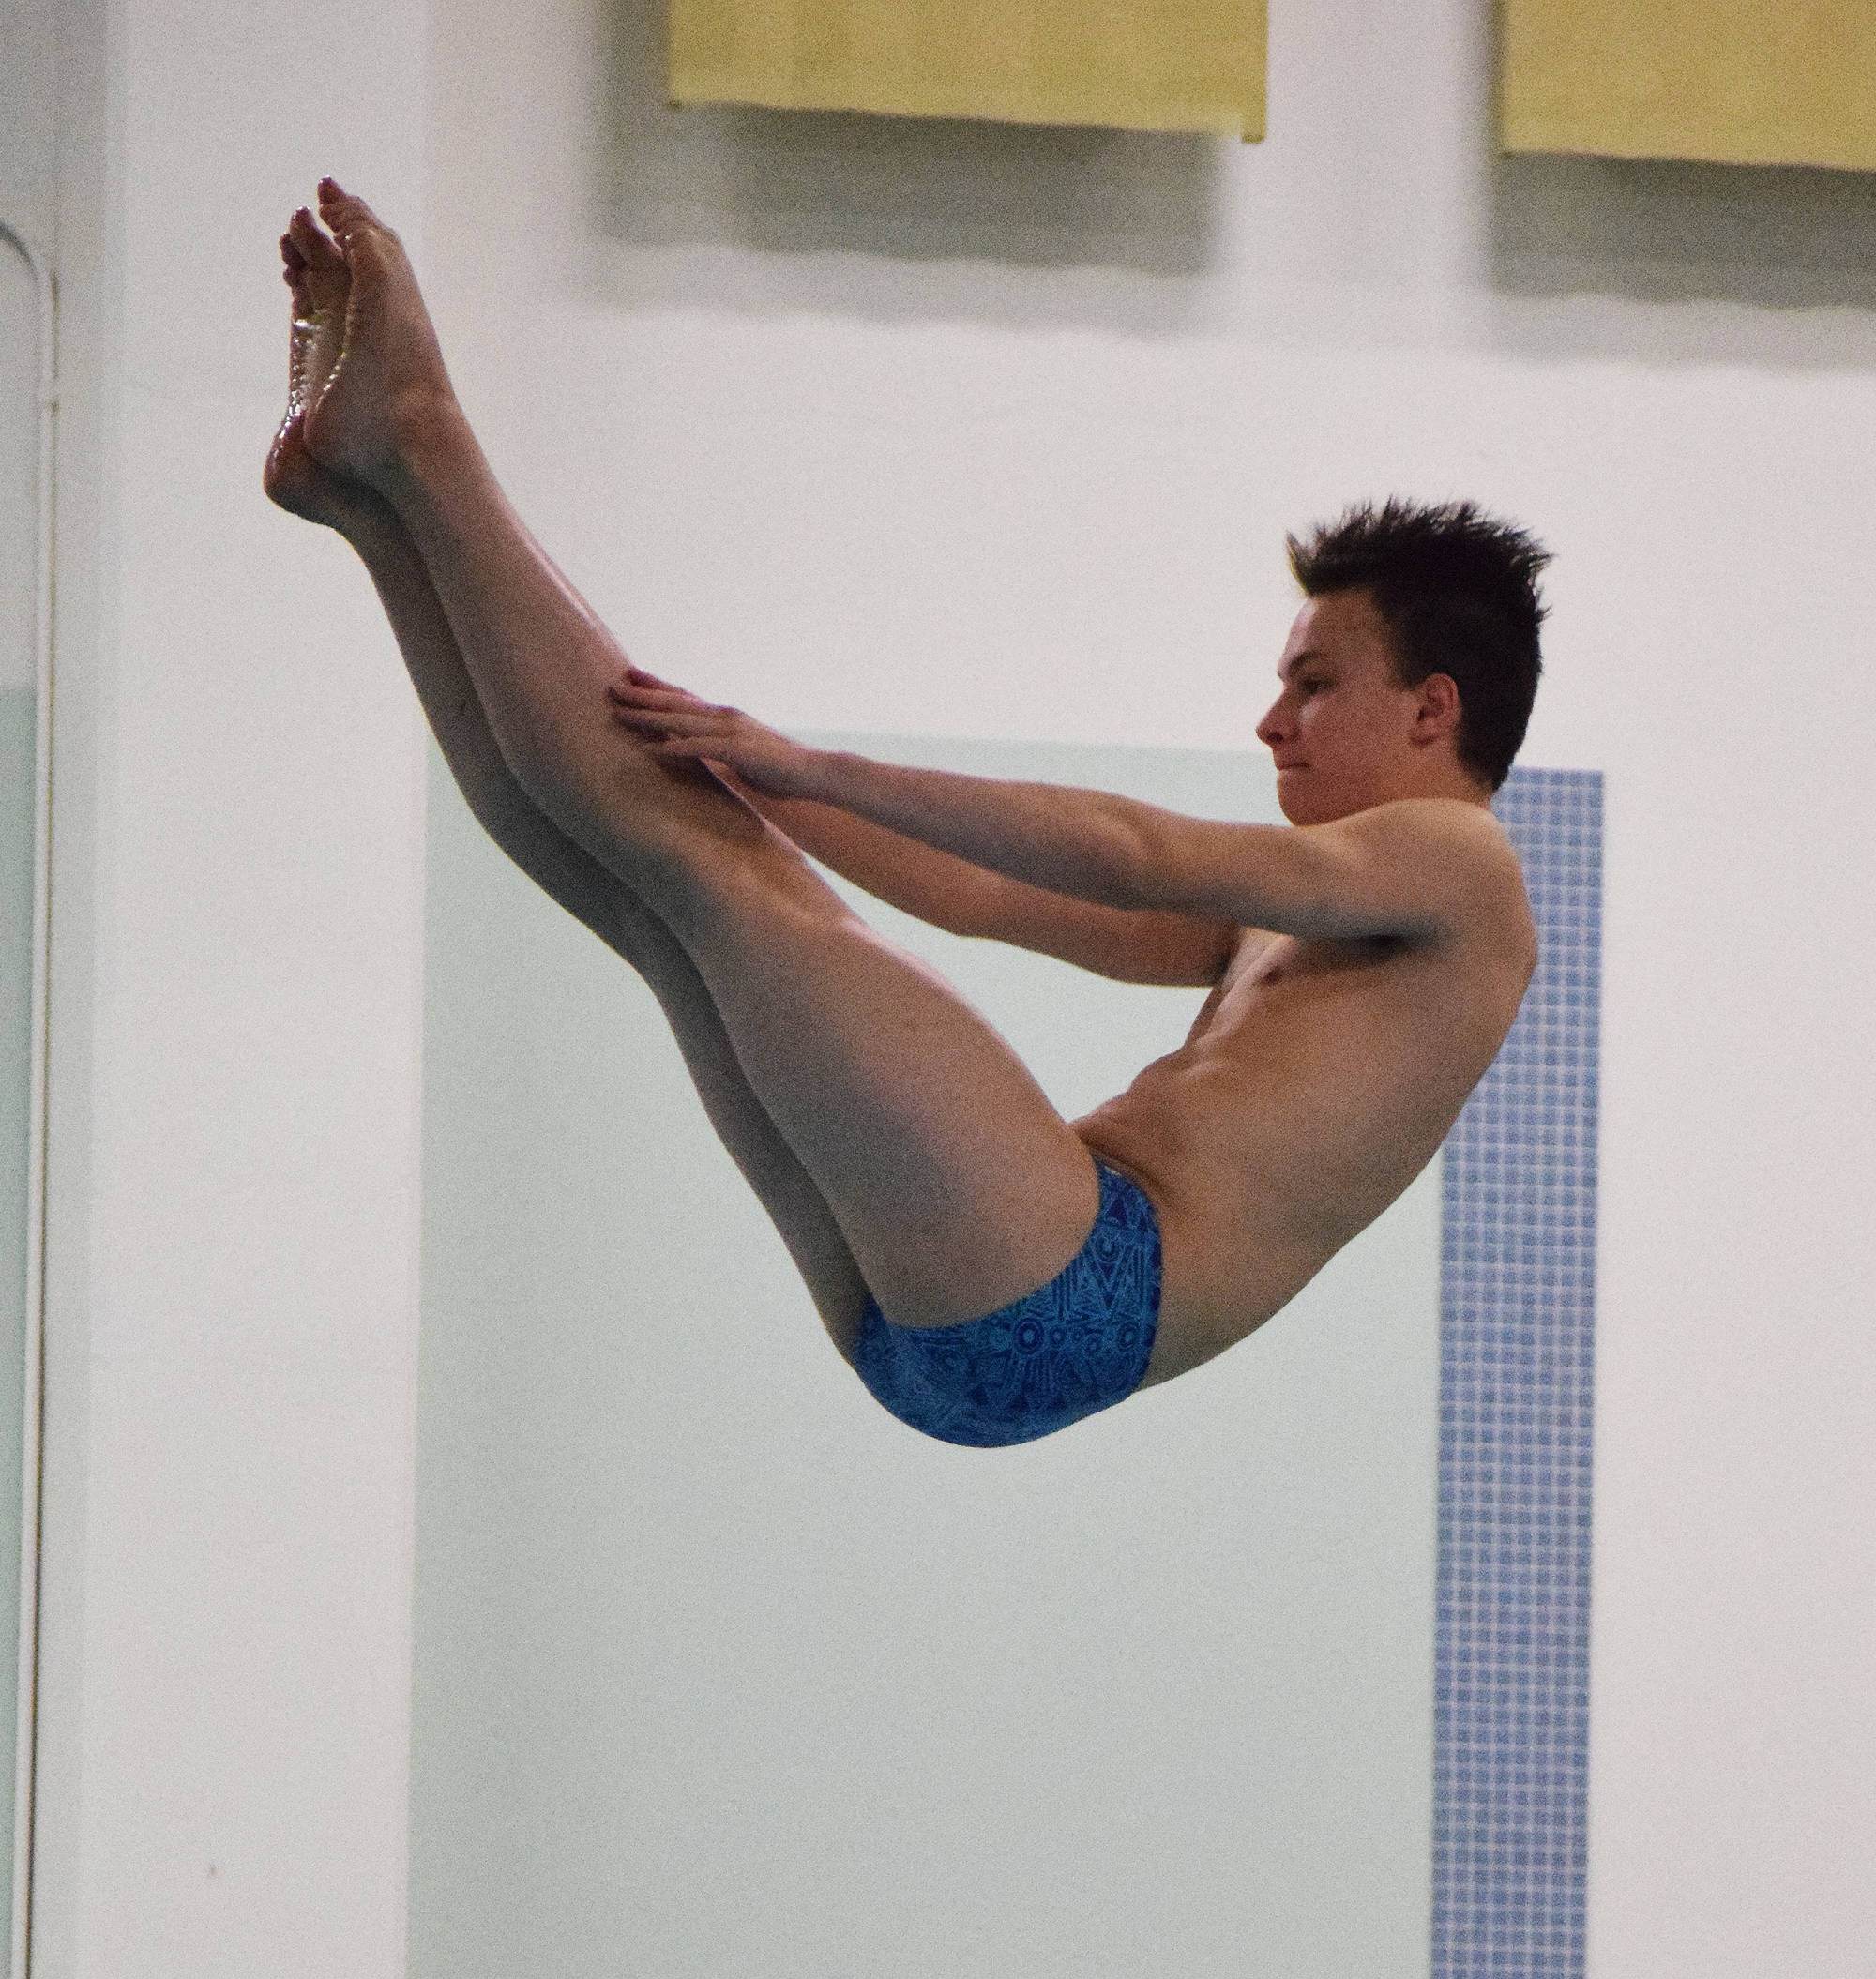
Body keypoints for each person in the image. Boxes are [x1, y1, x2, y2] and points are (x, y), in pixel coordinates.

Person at [265, 182, 1541, 1447]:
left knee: (690, 860)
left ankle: (422, 437)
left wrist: (816, 769)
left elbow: (1139, 846)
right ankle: (372, 506)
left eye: (1314, 687)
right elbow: (984, 894)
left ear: (1434, 711)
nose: (1272, 723)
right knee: (648, 878)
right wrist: (761, 780)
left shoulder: (1463, 863)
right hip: (956, 1326)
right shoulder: (1316, 913)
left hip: (1073, 1284)